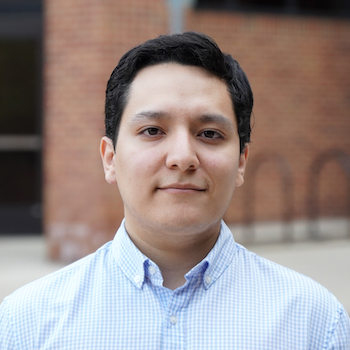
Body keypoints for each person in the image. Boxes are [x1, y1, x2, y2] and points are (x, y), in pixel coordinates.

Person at [0, 32, 349, 349]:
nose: (183, 158)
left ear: (241, 161)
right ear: (110, 158)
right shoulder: (27, 324)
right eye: (153, 130)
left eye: (209, 133)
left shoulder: (314, 324)